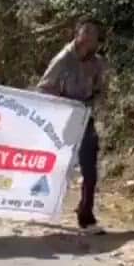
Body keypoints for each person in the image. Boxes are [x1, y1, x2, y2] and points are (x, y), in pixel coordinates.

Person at [37, 18, 108, 235]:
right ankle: (38, 204)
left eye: (93, 34)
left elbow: (101, 91)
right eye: (84, 32)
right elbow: (43, 87)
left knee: (90, 167)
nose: (87, 37)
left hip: (84, 117)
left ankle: (86, 215)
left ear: (97, 41)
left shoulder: (98, 63)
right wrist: (63, 101)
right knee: (55, 165)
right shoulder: (63, 59)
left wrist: (91, 102)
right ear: (77, 34)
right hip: (62, 119)